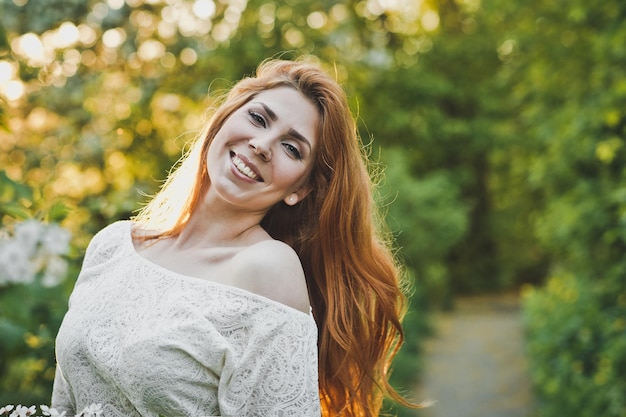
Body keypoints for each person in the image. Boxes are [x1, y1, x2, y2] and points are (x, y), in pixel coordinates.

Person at [52, 58, 419, 416]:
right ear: (225, 118)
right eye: (258, 118)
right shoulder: (113, 245)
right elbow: (63, 404)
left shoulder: (267, 269)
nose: (261, 144)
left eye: (292, 148)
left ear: (300, 190)